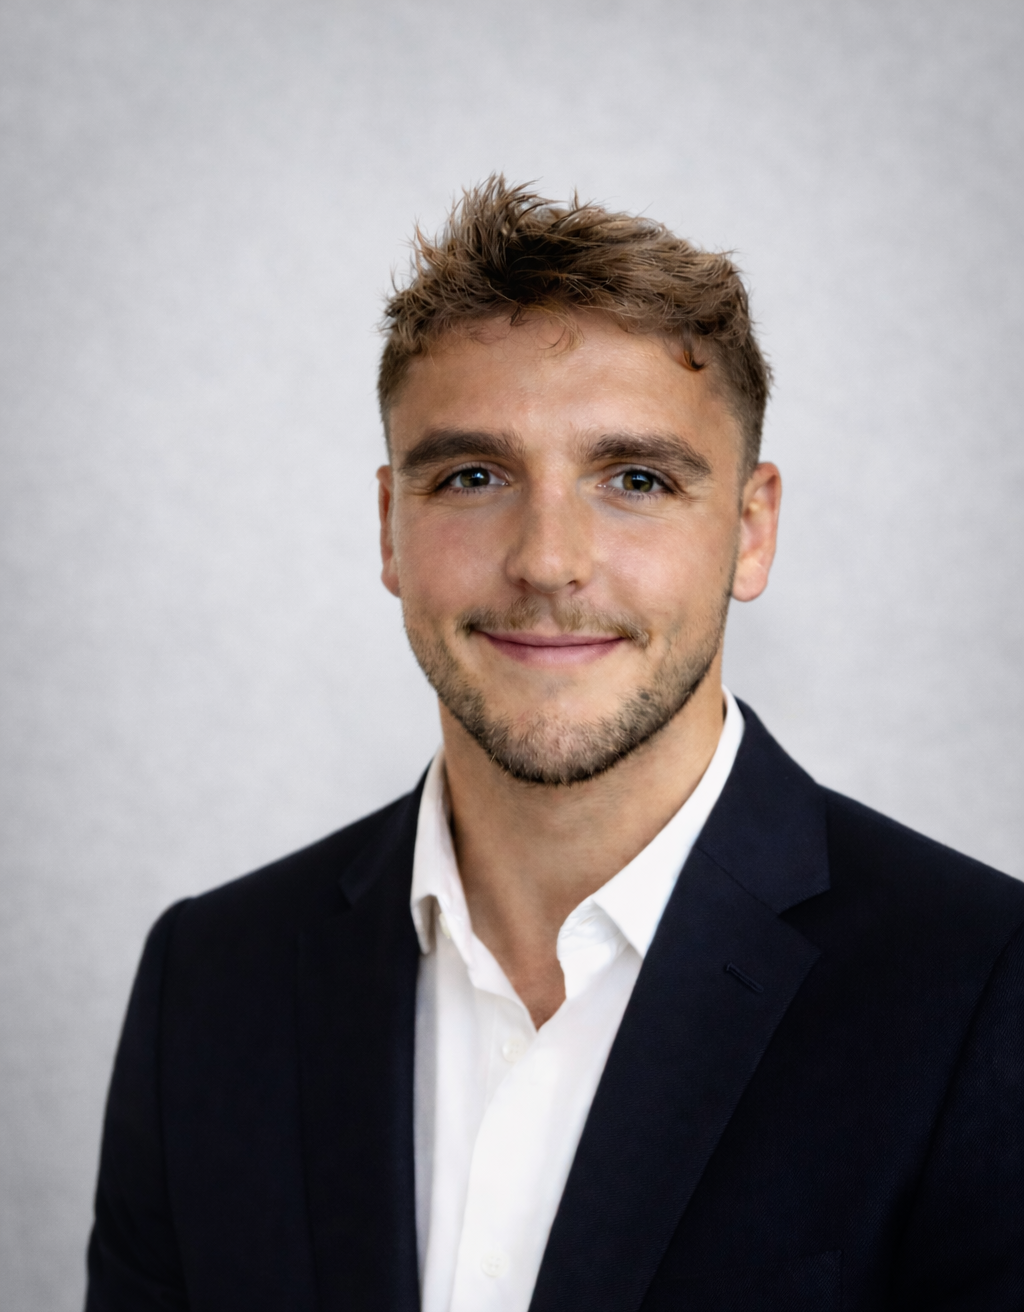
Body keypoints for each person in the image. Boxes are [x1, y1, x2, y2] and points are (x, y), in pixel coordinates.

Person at [86, 178, 1024, 1312]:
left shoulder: (984, 986)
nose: (547, 560)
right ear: (390, 528)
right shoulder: (208, 984)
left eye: (635, 480)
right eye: (473, 477)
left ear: (751, 529)